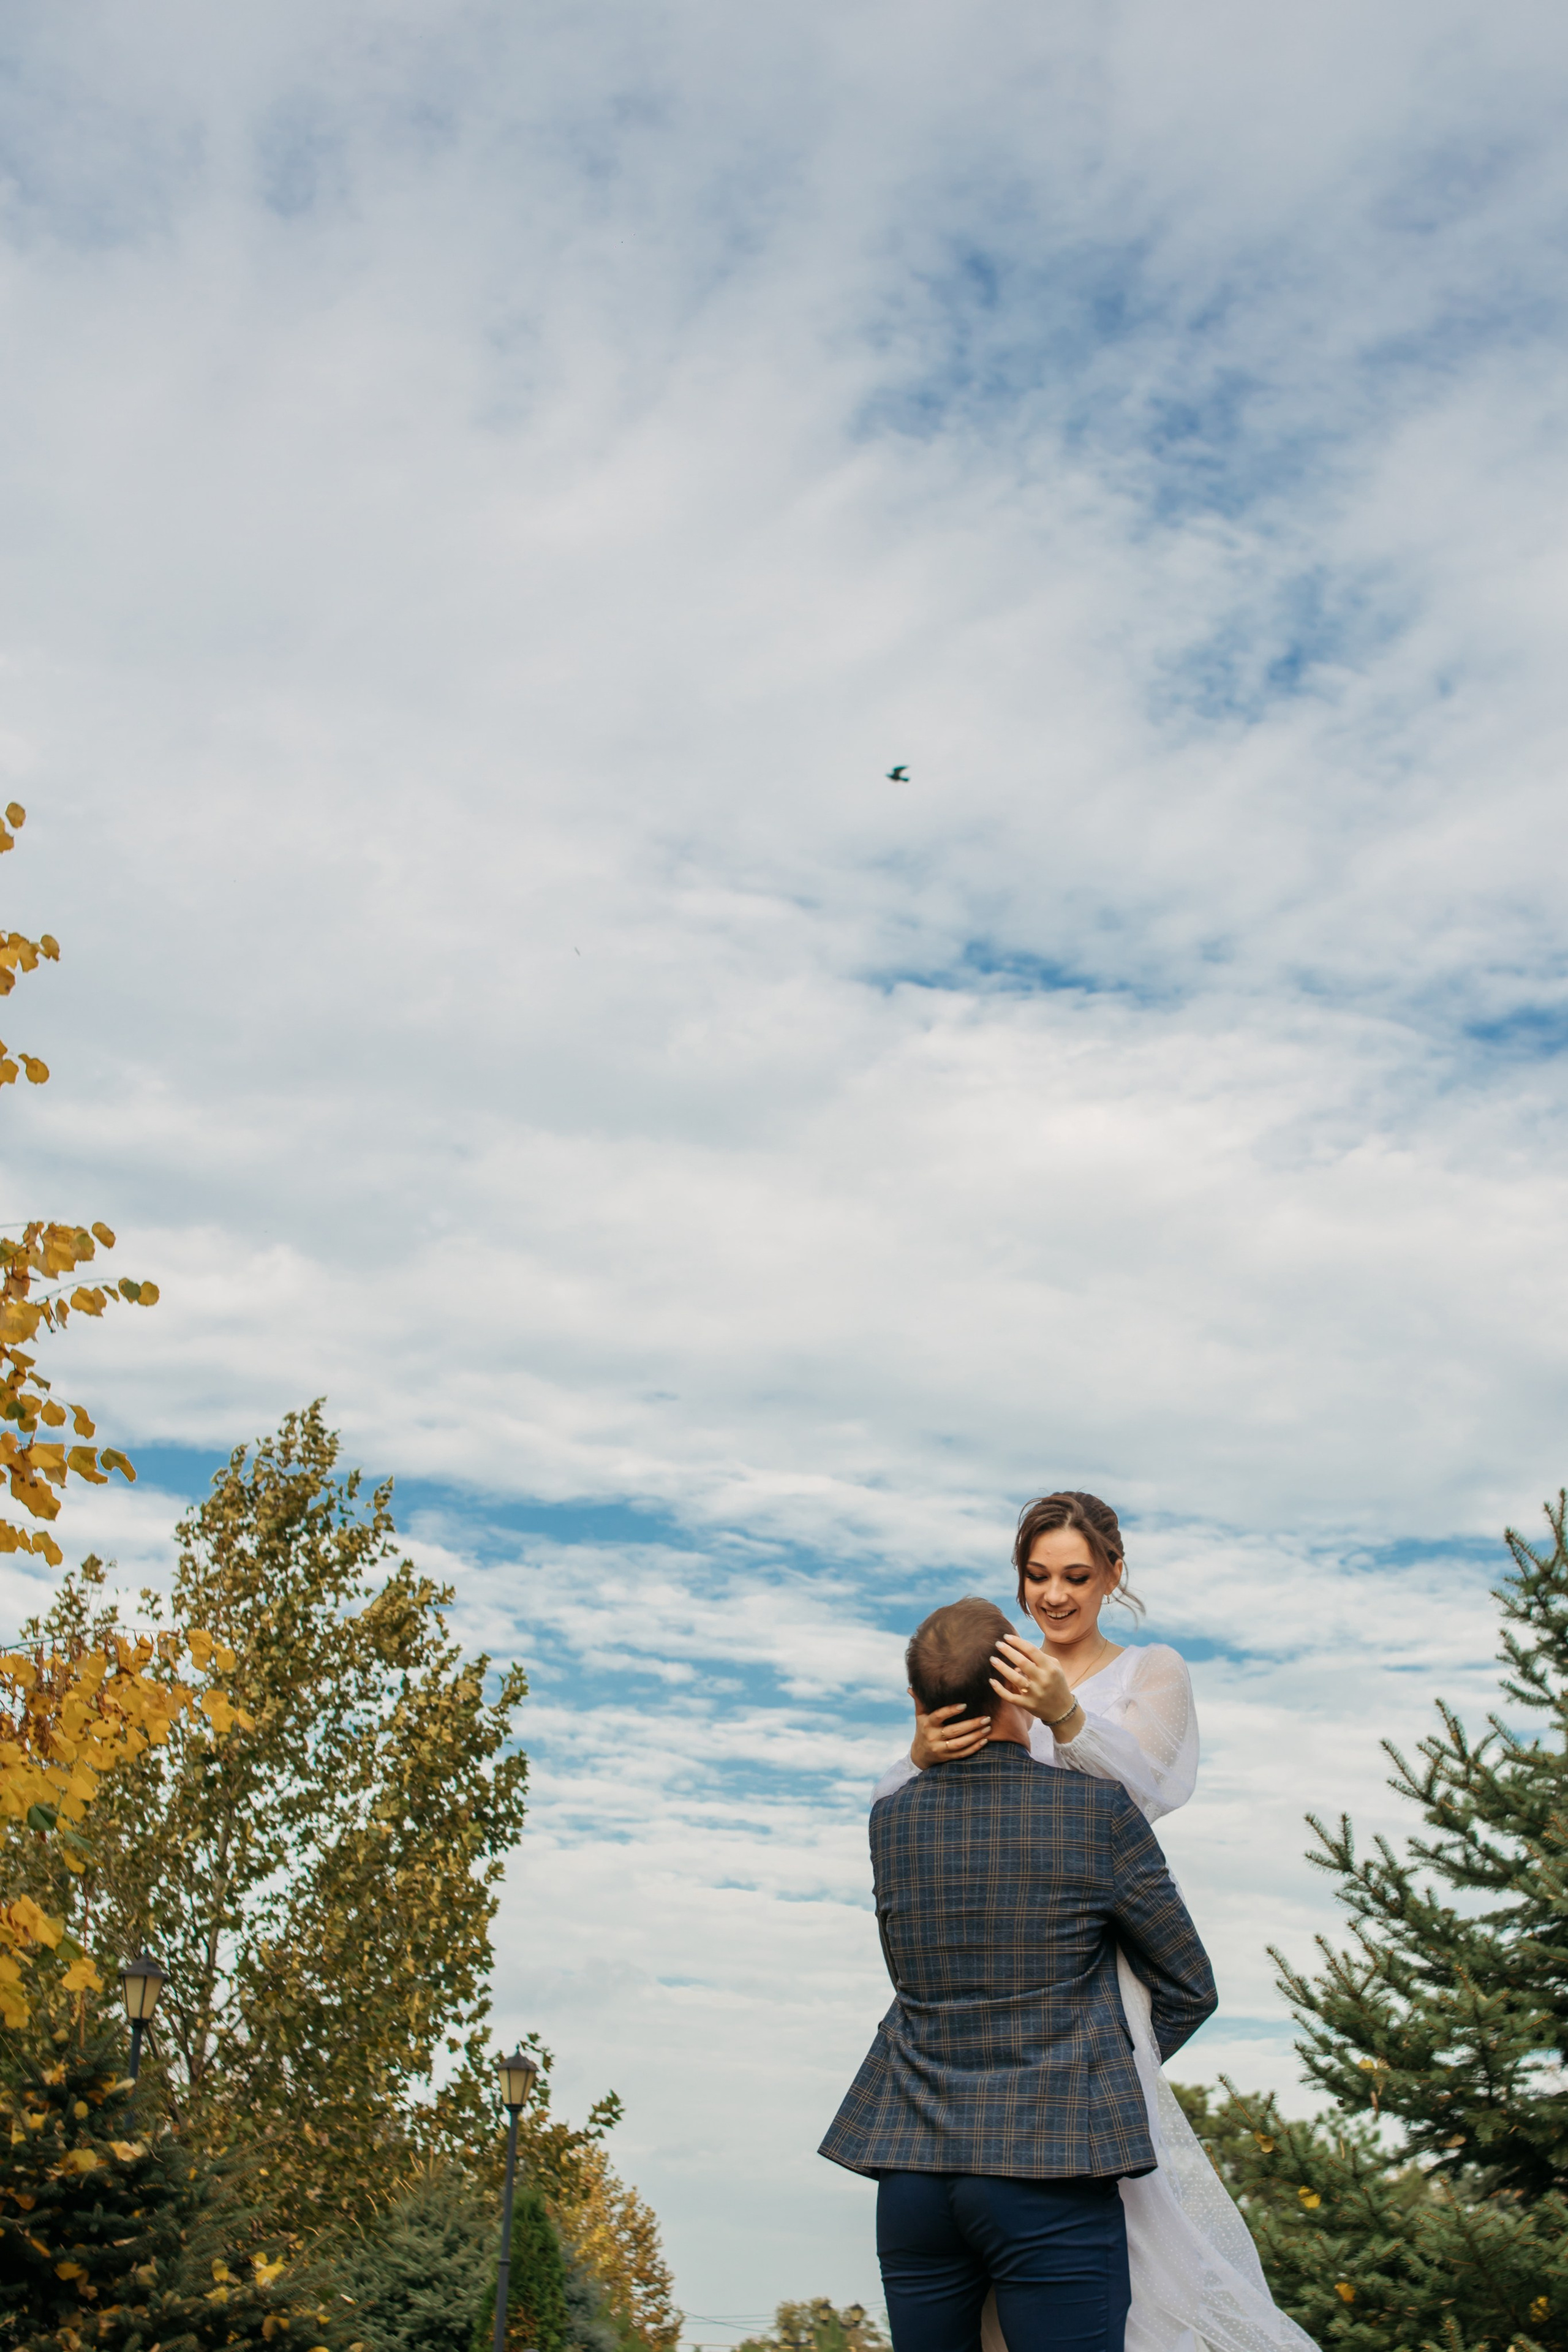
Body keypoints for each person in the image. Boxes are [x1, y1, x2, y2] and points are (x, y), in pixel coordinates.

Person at [873, 1494, 1319, 2352]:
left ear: (1114, 1574)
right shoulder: (998, 1673)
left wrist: (1066, 1716)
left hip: (1101, 1961)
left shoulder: (1153, 1672)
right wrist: (914, 1756)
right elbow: (910, 1822)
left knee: (1146, 2262)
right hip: (1006, 1981)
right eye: (1036, 1577)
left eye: (1076, 1576)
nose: (1055, 1595)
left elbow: (1149, 1788)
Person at [820, 1595, 1219, 2352]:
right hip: (1050, 2170)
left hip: (913, 2172)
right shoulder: (1095, 1811)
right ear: (1019, 1681)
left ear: (918, 1704)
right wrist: (1095, 2074)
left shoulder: (890, 1819)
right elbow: (1189, 1986)